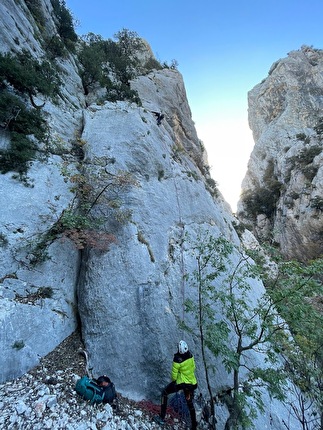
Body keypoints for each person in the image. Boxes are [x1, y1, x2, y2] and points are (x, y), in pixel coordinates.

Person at [155, 340, 198, 429]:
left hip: (181, 384)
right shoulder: (190, 355)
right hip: (191, 384)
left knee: (164, 393)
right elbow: (193, 367)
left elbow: (174, 376)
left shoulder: (177, 359)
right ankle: (194, 426)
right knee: (190, 404)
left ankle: (161, 417)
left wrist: (178, 378)